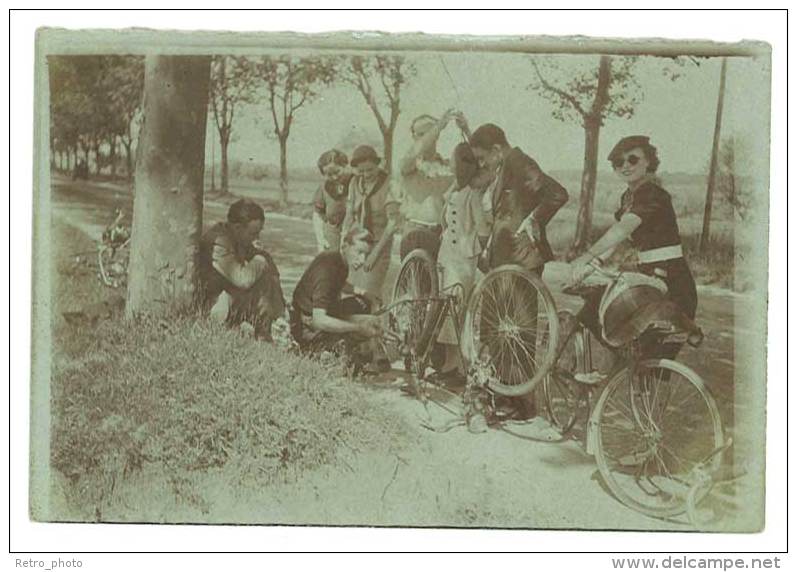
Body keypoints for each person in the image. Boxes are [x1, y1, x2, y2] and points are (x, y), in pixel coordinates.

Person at [469, 123, 569, 420]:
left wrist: (533, 221)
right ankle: (504, 394)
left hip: (522, 259)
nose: (482, 164)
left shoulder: (520, 163)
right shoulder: (504, 167)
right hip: (503, 260)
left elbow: (557, 194)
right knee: (501, 327)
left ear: (497, 150)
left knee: (519, 330)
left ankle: (521, 404)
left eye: (483, 158)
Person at [570, 135, 698, 360]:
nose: (626, 166)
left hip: (672, 284)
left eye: (632, 159)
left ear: (648, 161)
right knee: (597, 314)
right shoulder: (629, 197)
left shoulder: (653, 194)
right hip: (649, 281)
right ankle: (619, 380)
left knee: (649, 362)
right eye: (619, 163)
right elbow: (624, 238)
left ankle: (625, 376)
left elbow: (623, 228)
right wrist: (595, 263)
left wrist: (586, 256)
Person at [433, 142, 492, 381]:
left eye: (453, 162)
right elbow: (443, 220)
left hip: (462, 258)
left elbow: (483, 229)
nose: (450, 165)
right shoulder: (456, 191)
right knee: (448, 309)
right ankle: (451, 364)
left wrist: (476, 250)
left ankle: (456, 366)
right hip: (447, 255)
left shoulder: (473, 195)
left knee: (456, 309)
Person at [290, 227, 383, 365]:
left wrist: (363, 292)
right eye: (359, 252)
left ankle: (353, 345)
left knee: (363, 303)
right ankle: (328, 348)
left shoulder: (338, 260)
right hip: (307, 326)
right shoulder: (327, 271)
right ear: (345, 246)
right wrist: (357, 327)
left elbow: (339, 283)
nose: (362, 260)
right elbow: (319, 320)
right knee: (349, 361)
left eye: (366, 255)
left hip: (321, 313)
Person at [197, 199, 286, 341]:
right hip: (213, 305)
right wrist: (260, 258)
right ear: (238, 228)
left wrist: (262, 256)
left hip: (230, 298)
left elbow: (270, 273)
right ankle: (268, 333)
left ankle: (274, 327)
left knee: (267, 279)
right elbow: (243, 279)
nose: (257, 238)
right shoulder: (219, 241)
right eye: (253, 233)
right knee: (262, 278)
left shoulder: (237, 236)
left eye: (259, 233)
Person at [397, 111, 466, 261]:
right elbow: (415, 152)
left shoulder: (448, 165)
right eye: (418, 134)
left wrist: (466, 129)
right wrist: (438, 126)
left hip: (441, 234)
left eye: (426, 133)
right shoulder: (409, 165)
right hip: (414, 234)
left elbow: (478, 162)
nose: (423, 138)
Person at [341, 145, 401, 306]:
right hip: (357, 244)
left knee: (369, 295)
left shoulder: (389, 184)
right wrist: (344, 242)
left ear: (377, 165)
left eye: (370, 170)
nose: (366, 175)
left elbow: (393, 223)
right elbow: (349, 214)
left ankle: (374, 327)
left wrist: (374, 255)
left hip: (379, 246)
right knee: (351, 293)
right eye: (361, 171)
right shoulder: (354, 183)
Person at [312, 149, 351, 253]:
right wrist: (320, 239)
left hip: (352, 233)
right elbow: (317, 214)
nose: (334, 177)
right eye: (329, 174)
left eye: (337, 172)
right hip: (332, 231)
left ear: (345, 166)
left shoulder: (354, 183)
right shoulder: (324, 188)